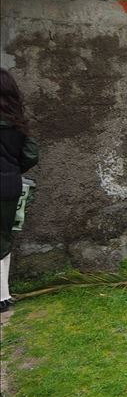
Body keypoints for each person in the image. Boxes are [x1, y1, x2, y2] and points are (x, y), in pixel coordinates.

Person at [1, 68, 39, 313]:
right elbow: (31, 155)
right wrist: (12, 169)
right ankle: (2, 295)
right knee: (3, 239)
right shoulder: (18, 124)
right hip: (8, 186)